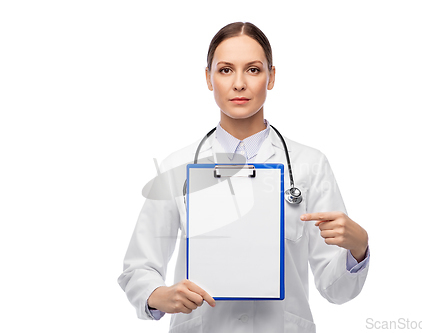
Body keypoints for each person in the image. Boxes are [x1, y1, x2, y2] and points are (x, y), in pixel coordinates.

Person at [118, 21, 370, 333]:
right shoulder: (179, 167)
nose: (239, 84)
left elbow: (336, 290)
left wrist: (357, 250)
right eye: (225, 70)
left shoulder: (309, 166)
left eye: (253, 69)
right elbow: (139, 267)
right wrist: (158, 295)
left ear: (271, 76)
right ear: (208, 78)